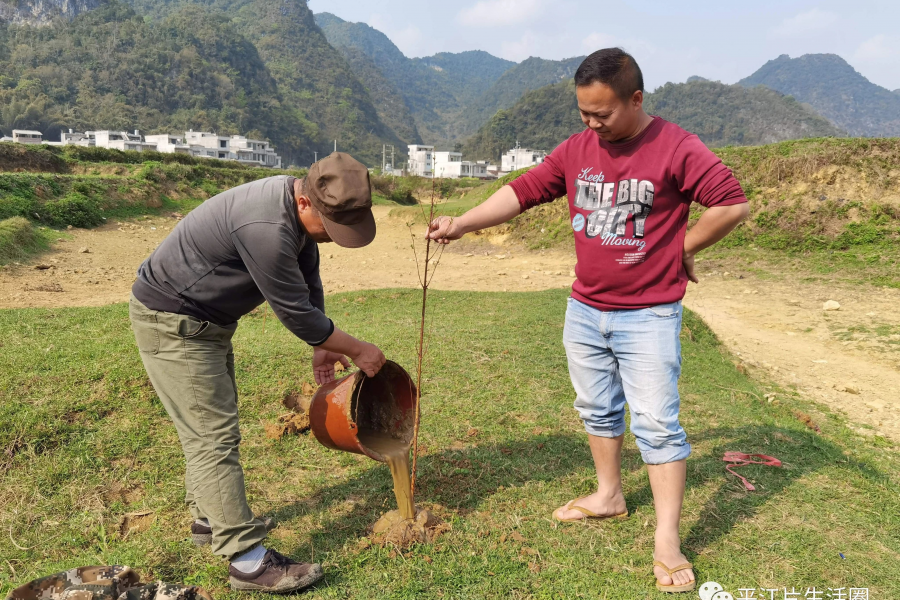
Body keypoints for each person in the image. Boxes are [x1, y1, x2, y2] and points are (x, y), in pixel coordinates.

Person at [427, 48, 749, 594]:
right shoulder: (578, 149)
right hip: (586, 310)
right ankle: (609, 495)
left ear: (636, 99)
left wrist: (682, 247)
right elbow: (522, 192)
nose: (592, 124)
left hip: (648, 314)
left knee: (656, 423)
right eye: (584, 113)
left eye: (602, 113)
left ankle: (667, 540)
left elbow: (731, 203)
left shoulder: (675, 145)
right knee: (597, 407)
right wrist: (463, 223)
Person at [129, 152, 387, 594]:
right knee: (212, 436)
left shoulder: (292, 200)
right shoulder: (265, 226)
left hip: (205, 322)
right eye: (330, 227)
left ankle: (210, 521)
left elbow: (309, 281)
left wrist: (322, 347)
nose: (329, 238)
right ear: (307, 203)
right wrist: (355, 348)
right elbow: (294, 312)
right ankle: (247, 563)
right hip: (175, 323)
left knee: (208, 430)